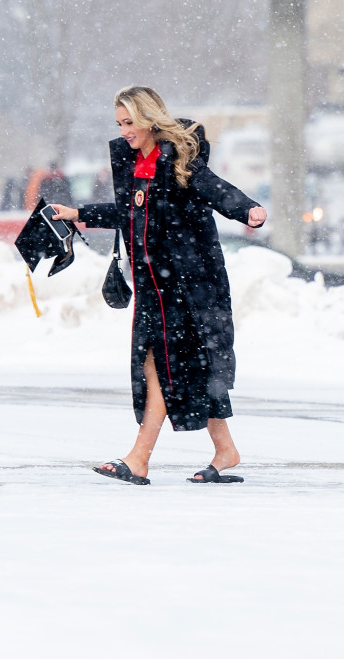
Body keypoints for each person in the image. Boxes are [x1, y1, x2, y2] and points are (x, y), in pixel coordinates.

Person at [50, 86, 267, 485]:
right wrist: (77, 212)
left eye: (130, 122)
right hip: (155, 287)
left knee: (164, 367)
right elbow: (127, 212)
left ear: (150, 119)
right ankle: (225, 450)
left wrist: (246, 209)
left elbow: (214, 187)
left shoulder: (179, 160)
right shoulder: (136, 164)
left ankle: (139, 457)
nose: (125, 130)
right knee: (182, 367)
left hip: (189, 286)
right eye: (119, 123)